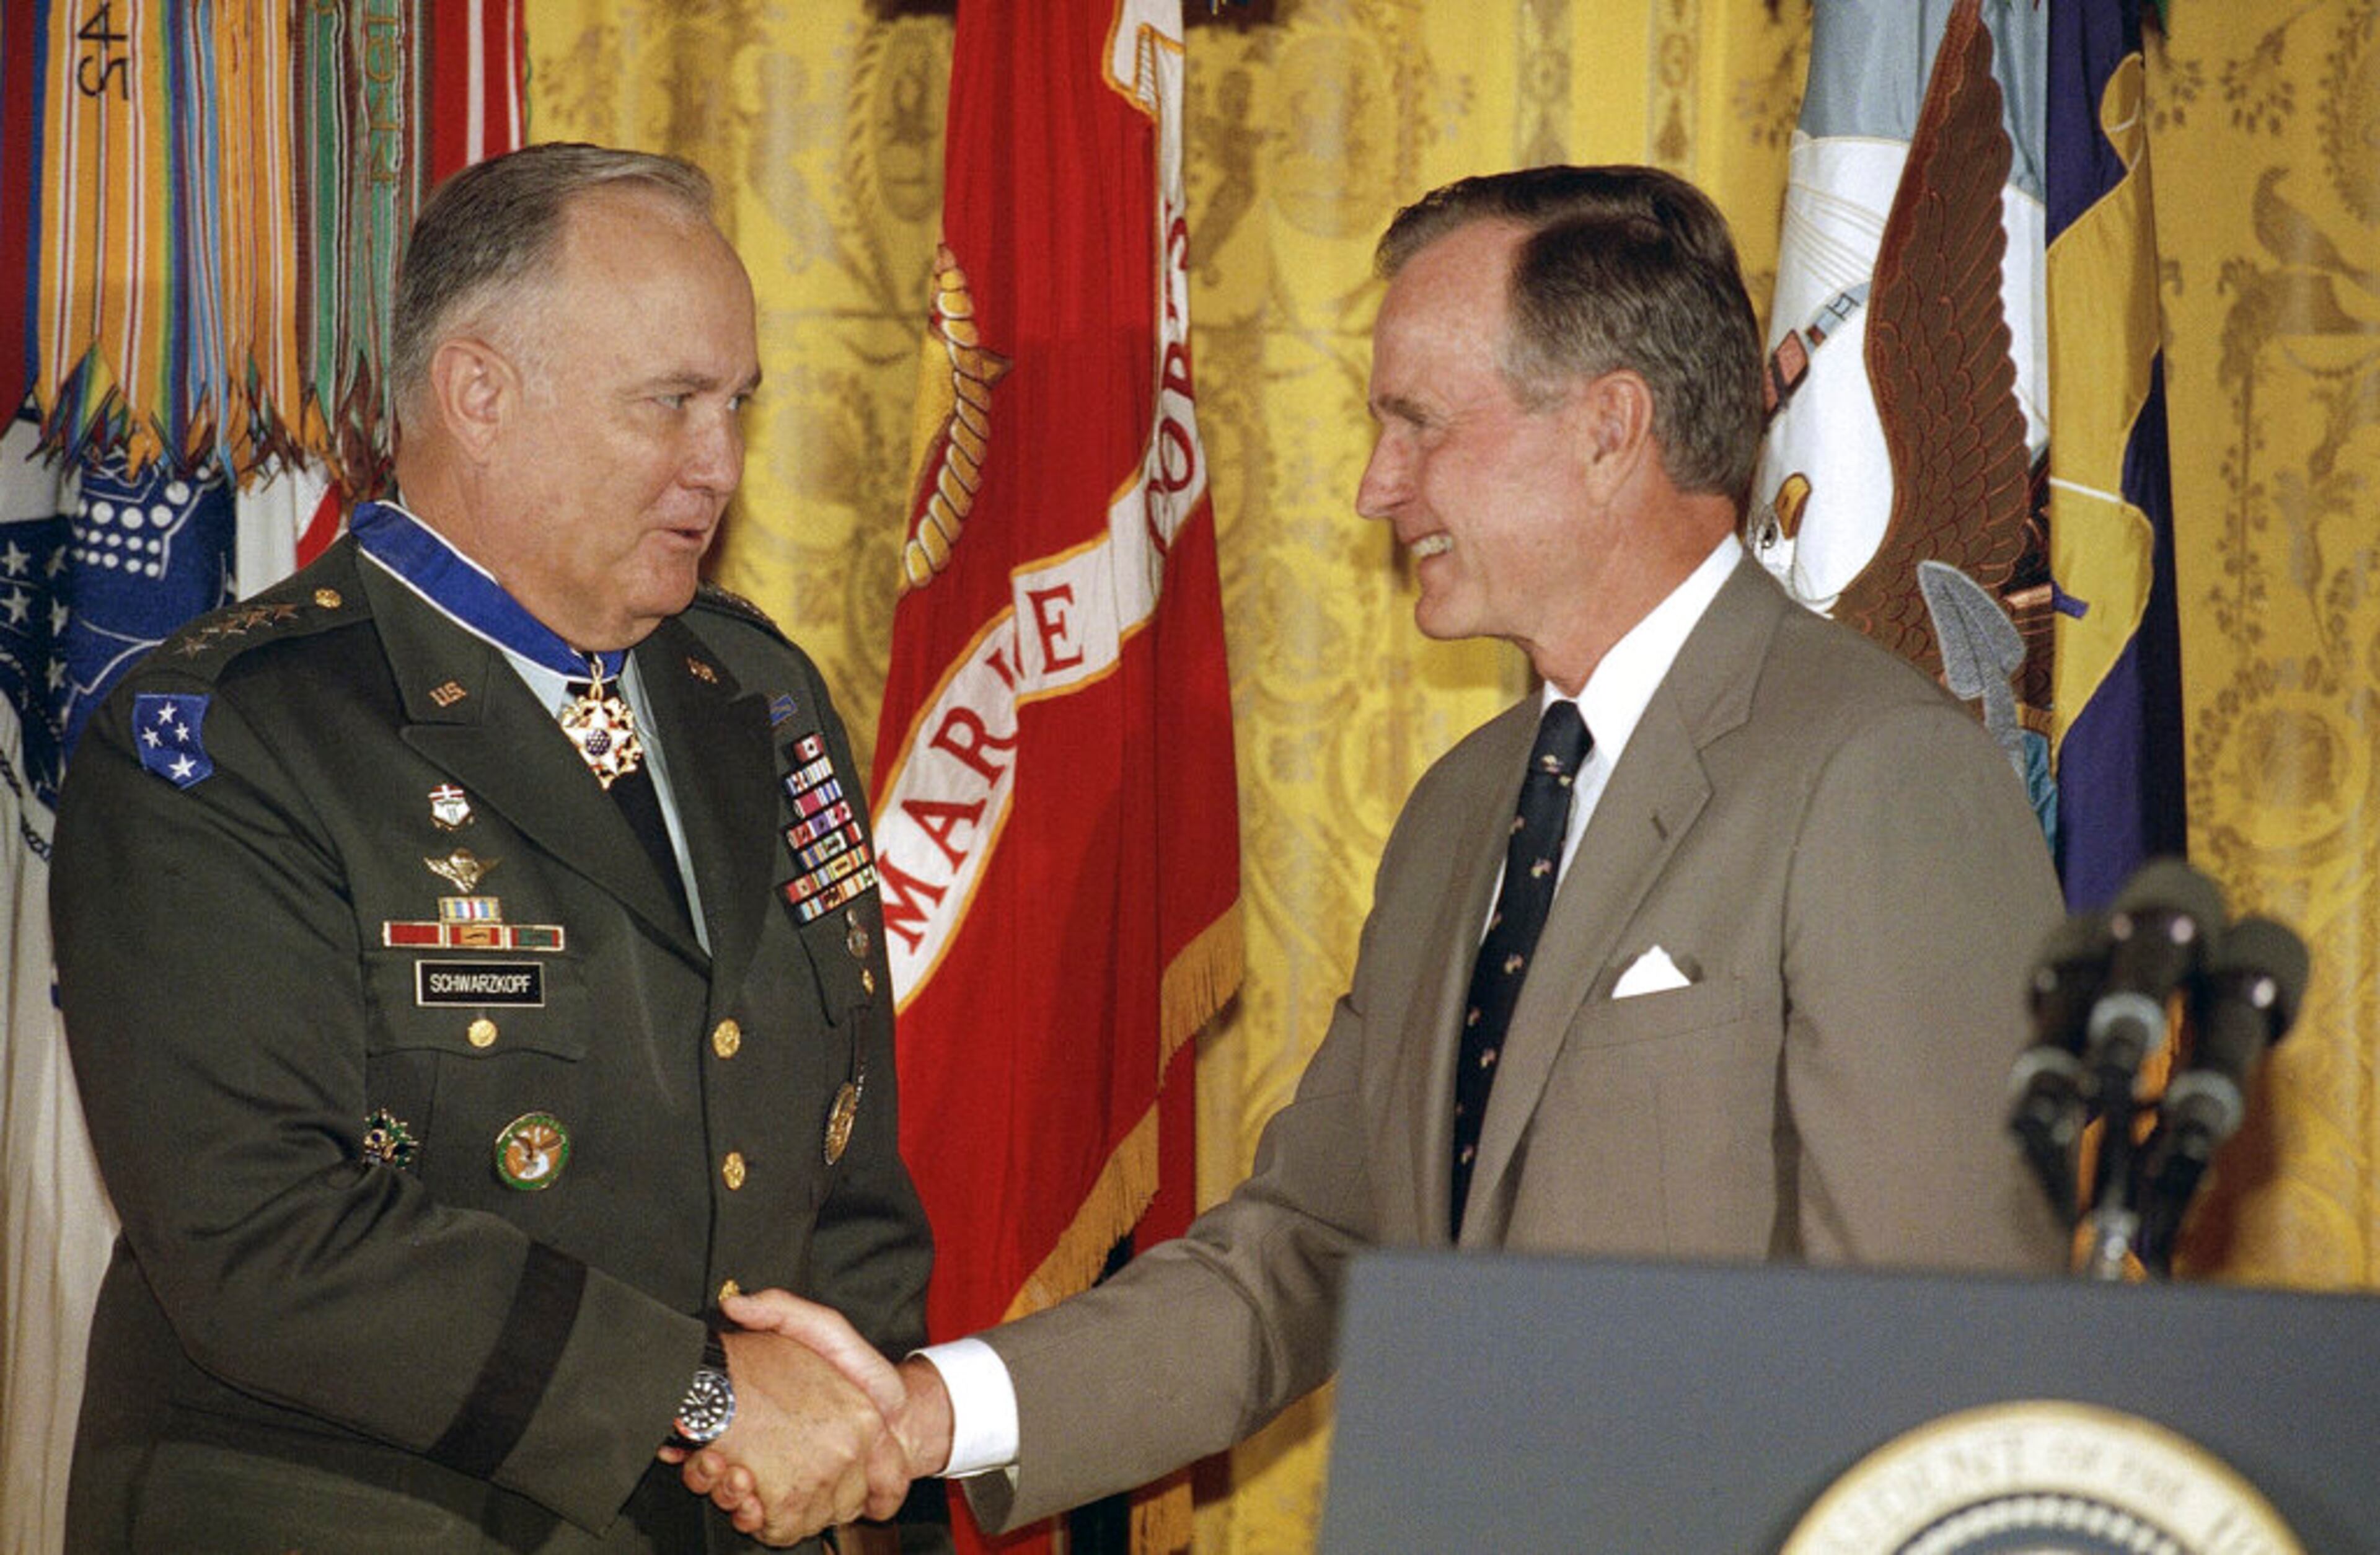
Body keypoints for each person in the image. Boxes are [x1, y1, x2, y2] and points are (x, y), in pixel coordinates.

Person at [689, 164, 2071, 1544]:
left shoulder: (1879, 776)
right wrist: (924, 1411)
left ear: (1609, 430)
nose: (1374, 485)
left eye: (1417, 423)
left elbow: (1942, 1360)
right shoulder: (1468, 807)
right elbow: (1305, 1246)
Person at [53, 143, 942, 1553]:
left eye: (736, 405)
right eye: (670, 403)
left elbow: (843, 1168)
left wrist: (857, 1443)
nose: (719, 463)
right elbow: (262, 1232)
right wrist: (701, 1396)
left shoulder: (756, 692)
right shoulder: (233, 737)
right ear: (479, 393)